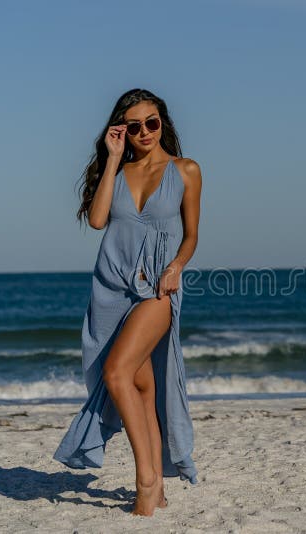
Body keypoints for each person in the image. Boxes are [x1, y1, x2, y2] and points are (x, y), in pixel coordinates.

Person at [53, 88, 202, 516]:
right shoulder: (116, 175)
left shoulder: (186, 170)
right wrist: (113, 157)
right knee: (139, 385)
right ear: (122, 130)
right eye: (133, 126)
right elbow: (98, 220)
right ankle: (156, 488)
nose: (144, 132)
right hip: (111, 288)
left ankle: (146, 480)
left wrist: (176, 267)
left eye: (151, 122)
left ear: (163, 123)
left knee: (117, 373)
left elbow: (191, 234)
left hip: (158, 289)